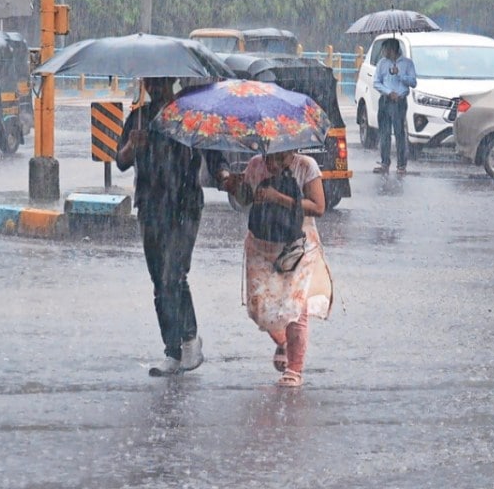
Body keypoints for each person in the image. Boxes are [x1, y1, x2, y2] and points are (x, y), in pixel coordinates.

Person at [116, 77, 230, 377]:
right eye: (150, 83)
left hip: (185, 206)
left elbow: (215, 155)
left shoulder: (190, 115)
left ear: (171, 81)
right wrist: (132, 144)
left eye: (160, 83)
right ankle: (172, 351)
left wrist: (226, 175)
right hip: (150, 207)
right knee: (159, 282)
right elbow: (121, 161)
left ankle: (190, 339)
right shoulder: (139, 117)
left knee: (173, 274)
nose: (154, 88)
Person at [222, 150, 333, 388]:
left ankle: (294, 369)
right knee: (259, 308)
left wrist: (279, 198)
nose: (274, 159)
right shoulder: (255, 165)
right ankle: (285, 341)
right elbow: (247, 199)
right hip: (262, 245)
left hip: (297, 245)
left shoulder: (306, 166)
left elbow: (318, 207)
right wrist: (234, 186)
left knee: (295, 308)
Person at [372, 38, 417, 175]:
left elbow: (413, 82)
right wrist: (388, 92)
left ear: (393, 50)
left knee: (399, 133)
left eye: (385, 49)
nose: (383, 52)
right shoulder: (382, 63)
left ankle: (401, 165)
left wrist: (400, 74)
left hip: (399, 102)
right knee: (384, 133)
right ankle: (385, 162)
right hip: (385, 100)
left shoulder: (407, 64)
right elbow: (376, 82)